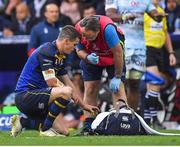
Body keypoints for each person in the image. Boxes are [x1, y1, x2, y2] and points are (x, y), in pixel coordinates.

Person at [11, 25, 99, 137]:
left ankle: (22, 122)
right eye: (74, 45)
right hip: (26, 96)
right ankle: (45, 129)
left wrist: (84, 105)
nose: (74, 49)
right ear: (66, 41)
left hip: (41, 96)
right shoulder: (46, 51)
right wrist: (67, 92)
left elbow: (68, 82)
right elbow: (52, 82)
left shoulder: (60, 56)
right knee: (66, 91)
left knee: (64, 132)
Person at [105, 0, 167, 111]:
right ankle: (118, 115)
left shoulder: (145, 1)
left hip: (139, 48)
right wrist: (126, 16)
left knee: (134, 84)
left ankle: (130, 117)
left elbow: (155, 15)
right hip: (120, 46)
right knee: (120, 82)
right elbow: (110, 15)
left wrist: (159, 16)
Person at [75, 15, 127, 135]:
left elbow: (118, 54)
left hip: (113, 57)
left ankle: (121, 125)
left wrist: (117, 77)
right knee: (90, 89)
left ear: (97, 31)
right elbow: (79, 50)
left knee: (118, 89)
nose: (85, 39)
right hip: (91, 56)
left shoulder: (108, 30)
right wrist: (87, 57)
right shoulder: (79, 29)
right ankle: (88, 126)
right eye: (83, 35)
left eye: (88, 36)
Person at [143, 0, 177, 127]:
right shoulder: (144, 12)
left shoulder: (161, 12)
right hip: (146, 49)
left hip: (159, 51)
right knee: (156, 82)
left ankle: (150, 119)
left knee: (154, 88)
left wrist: (171, 53)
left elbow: (165, 33)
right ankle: (150, 120)